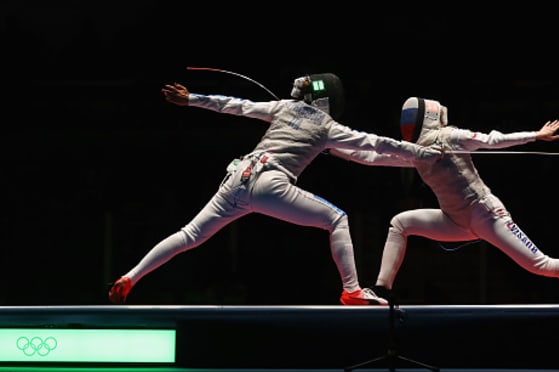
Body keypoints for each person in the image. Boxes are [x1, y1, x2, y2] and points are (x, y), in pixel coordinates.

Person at [107, 75, 442, 306]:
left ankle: (130, 277)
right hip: (271, 183)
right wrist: (420, 154)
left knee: (189, 234)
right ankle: (351, 290)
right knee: (337, 219)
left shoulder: (283, 107)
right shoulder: (328, 126)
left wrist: (192, 98)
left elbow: (235, 105)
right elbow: (375, 144)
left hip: (238, 178)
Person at [331, 96, 559, 304]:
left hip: (487, 215)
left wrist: (534, 135)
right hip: (454, 221)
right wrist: (331, 146)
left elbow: (492, 140)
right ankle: (382, 290)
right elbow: (371, 157)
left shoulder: (450, 137)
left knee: (540, 264)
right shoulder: (416, 153)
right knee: (400, 223)